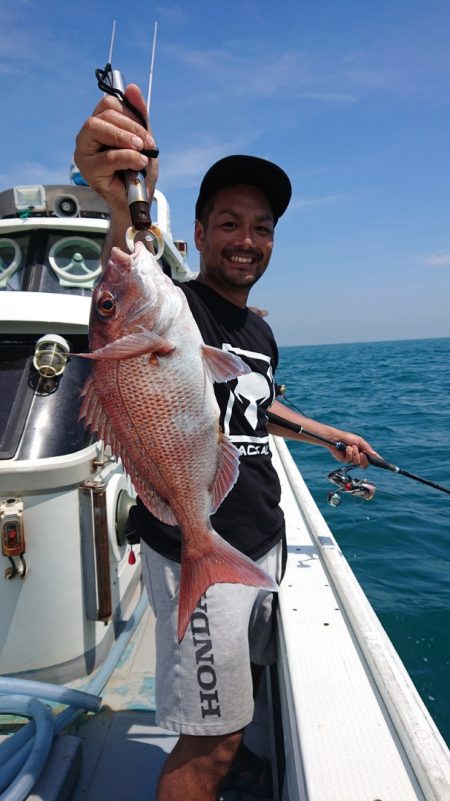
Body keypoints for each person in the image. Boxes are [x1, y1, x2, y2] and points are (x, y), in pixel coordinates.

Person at [74, 83, 379, 801]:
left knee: (232, 722)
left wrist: (328, 432)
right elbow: (127, 265)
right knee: (208, 746)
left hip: (255, 535)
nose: (247, 240)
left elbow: (252, 405)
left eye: (262, 227)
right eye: (229, 223)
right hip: (194, 545)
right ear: (199, 234)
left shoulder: (257, 330)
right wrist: (119, 202)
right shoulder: (181, 306)